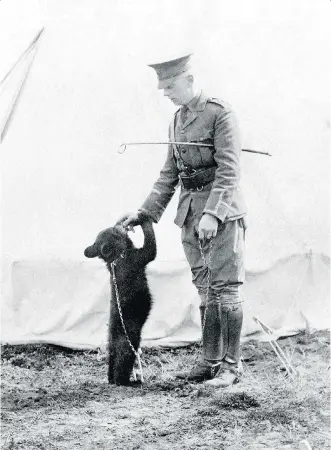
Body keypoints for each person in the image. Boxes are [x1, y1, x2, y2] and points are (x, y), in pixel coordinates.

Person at [121, 54, 247, 388]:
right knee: (206, 291)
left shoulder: (221, 114)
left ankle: (232, 369)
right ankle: (209, 362)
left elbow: (229, 170)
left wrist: (212, 214)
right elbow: (169, 174)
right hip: (190, 216)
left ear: (189, 79)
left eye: (171, 85)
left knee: (226, 291)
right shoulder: (177, 120)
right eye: (162, 87)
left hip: (222, 216)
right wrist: (145, 212)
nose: (166, 92)